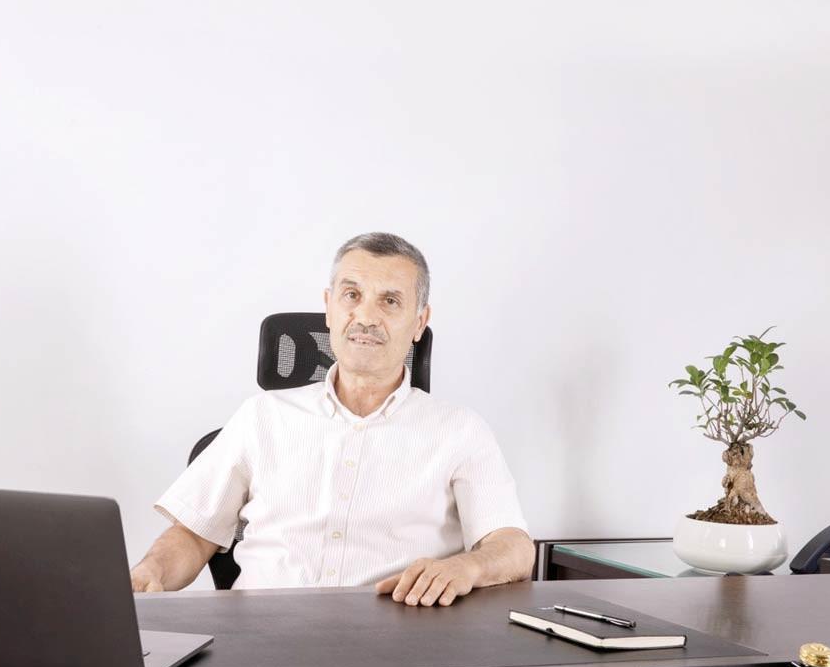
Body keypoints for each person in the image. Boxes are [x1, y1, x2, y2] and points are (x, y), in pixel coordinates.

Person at [130, 233, 533, 607]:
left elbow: (513, 547)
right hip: (260, 636)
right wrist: (151, 572)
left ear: (419, 322)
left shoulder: (460, 431)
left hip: (395, 641)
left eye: (390, 301)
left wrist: (467, 567)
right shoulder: (262, 416)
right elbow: (193, 535)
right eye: (352, 295)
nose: (366, 317)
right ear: (329, 307)